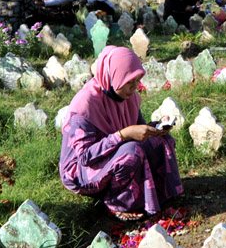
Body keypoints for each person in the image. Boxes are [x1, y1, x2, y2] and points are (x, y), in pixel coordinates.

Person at [59, 46, 183, 220]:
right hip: (81, 171)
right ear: (114, 77)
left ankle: (162, 193)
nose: (134, 87)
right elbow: (85, 157)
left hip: (112, 155)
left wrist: (157, 129)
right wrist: (123, 135)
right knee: (132, 152)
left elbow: (138, 129)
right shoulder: (85, 106)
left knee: (161, 142)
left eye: (137, 81)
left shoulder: (126, 97)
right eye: (129, 82)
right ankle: (117, 203)